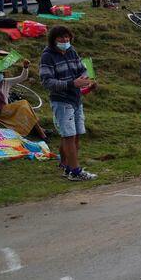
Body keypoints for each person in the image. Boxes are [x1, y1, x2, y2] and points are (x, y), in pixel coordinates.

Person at [39, 25, 97, 181]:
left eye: (67, 37)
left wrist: (85, 80)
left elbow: (82, 68)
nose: (65, 40)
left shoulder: (72, 51)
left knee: (74, 134)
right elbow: (47, 81)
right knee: (69, 136)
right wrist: (72, 84)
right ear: (53, 39)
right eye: (61, 38)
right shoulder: (47, 56)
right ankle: (75, 171)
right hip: (61, 100)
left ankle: (65, 165)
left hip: (76, 99)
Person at [0, 60, 49, 140]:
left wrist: (25, 67)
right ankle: (41, 132)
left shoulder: (5, 82)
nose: (0, 75)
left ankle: (40, 131)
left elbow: (21, 78)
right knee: (23, 104)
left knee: (24, 106)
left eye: (1, 73)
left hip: (6, 109)